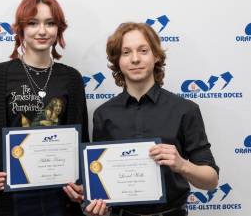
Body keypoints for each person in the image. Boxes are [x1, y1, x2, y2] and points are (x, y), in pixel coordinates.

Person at [65, 22, 219, 216]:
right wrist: (92, 198)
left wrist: (182, 165)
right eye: (126, 52)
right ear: (117, 60)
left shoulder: (185, 109)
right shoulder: (103, 114)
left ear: (156, 56)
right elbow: (102, 177)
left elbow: (211, 180)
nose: (135, 59)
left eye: (143, 50)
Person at [0, 0, 89, 216]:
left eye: (50, 23)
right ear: (20, 29)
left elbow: (81, 142)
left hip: (59, 199)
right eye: (33, 23)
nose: (42, 31)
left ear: (58, 29)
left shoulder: (72, 78)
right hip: (10, 200)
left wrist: (83, 184)